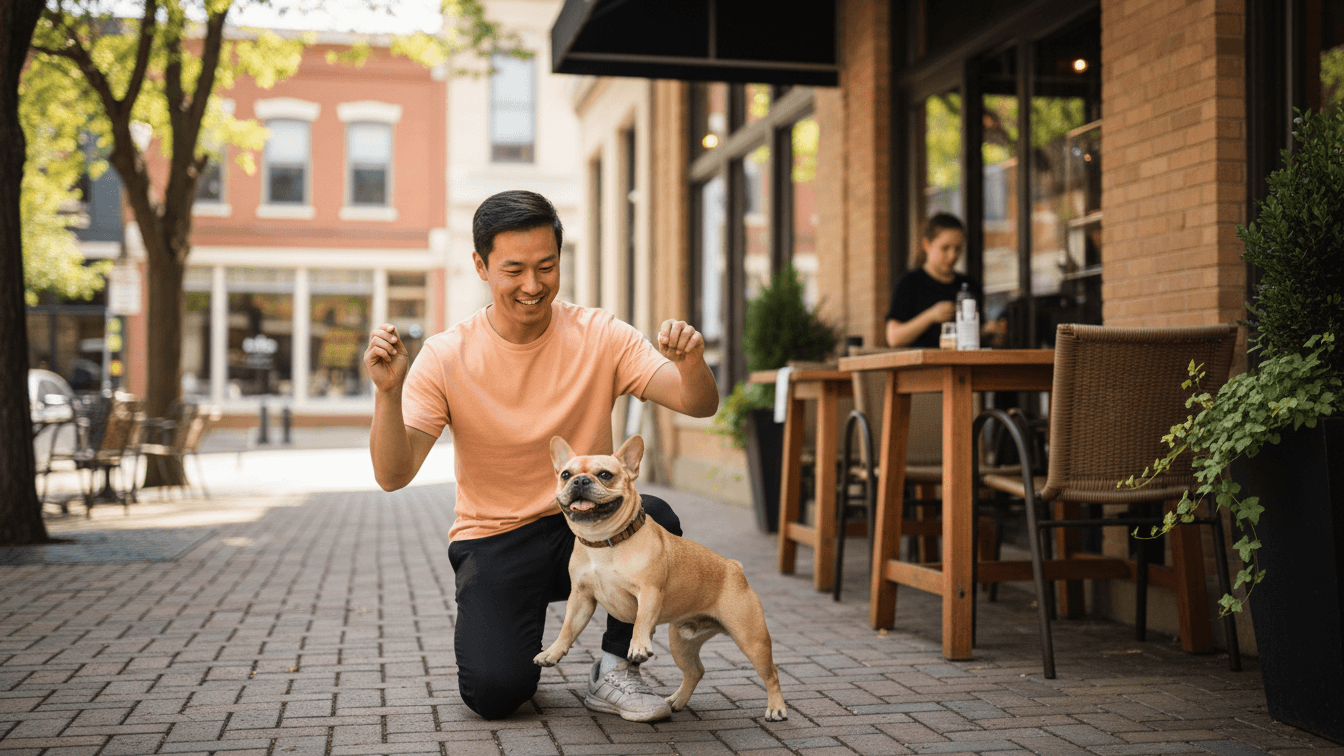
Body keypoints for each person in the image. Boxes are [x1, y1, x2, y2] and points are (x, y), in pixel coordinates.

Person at [364, 190, 719, 723]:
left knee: (655, 519)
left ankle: (614, 669)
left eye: (546, 267)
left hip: (584, 525)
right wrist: (388, 394)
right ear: (482, 266)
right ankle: (515, 624)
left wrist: (692, 362)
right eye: (514, 270)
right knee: (495, 693)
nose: (533, 286)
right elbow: (393, 475)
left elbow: (698, 402)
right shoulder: (445, 355)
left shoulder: (601, 334)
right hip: (495, 538)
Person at [885, 213, 981, 348]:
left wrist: (990, 331)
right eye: (945, 248)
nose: (952, 255)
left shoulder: (968, 285)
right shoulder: (909, 282)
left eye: (958, 248)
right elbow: (894, 338)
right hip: (922, 366)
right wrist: (931, 316)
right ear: (926, 244)